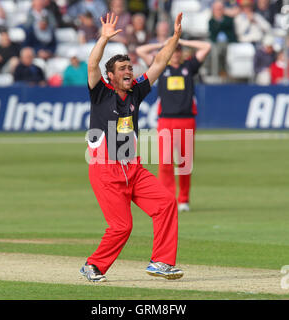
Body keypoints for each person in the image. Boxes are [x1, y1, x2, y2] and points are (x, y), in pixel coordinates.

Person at [79, 12, 184, 282]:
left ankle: (160, 262)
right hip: (105, 171)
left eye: (130, 68)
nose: (129, 72)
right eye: (123, 70)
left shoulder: (136, 90)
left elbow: (160, 61)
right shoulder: (100, 92)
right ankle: (93, 266)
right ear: (111, 76)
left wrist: (174, 38)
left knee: (166, 203)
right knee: (122, 226)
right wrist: (103, 39)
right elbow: (92, 65)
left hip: (132, 169)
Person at [136, 39, 211, 212]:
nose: (176, 53)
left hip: (186, 119)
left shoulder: (189, 66)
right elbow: (141, 50)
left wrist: (182, 40)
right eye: (173, 50)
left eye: (178, 50)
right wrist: (162, 44)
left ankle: (183, 199)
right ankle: (167, 199)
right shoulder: (161, 66)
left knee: (184, 162)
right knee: (165, 162)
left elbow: (206, 46)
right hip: (166, 120)